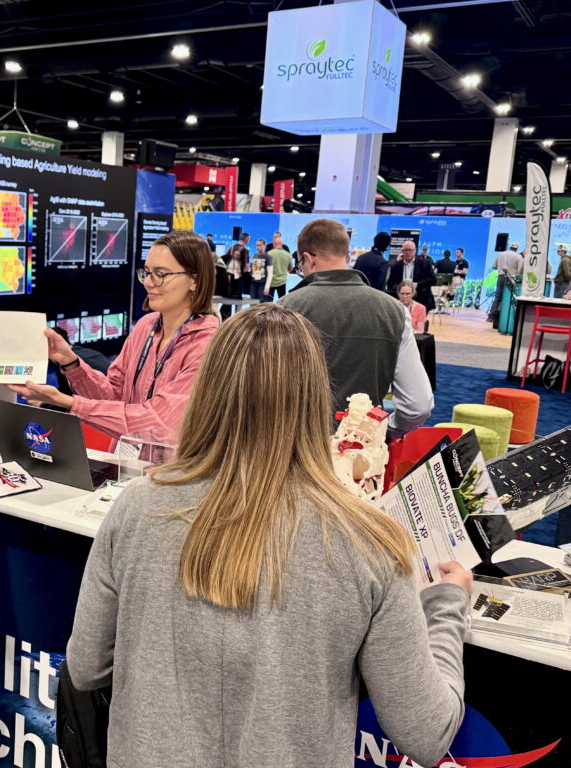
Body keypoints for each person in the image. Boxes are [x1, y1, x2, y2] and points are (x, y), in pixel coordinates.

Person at [66, 303, 470, 768]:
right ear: (316, 397)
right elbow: (426, 731)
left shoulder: (136, 507)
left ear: (207, 390)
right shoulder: (369, 540)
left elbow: (86, 666)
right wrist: (446, 605)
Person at [9, 230, 219, 443]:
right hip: (126, 464)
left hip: (172, 471)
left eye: (161, 274)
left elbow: (156, 421)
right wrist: (71, 363)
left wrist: (68, 402)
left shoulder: (207, 344)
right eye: (147, 272)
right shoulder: (146, 326)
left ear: (195, 280)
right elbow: (113, 397)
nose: (147, 282)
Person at [279, 218, 432, 436]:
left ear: (307, 259)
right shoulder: (395, 310)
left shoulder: (284, 309)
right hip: (364, 451)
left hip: (297, 449)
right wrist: (383, 430)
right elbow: (418, 405)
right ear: (348, 256)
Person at [387, 241, 436, 313]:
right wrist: (399, 288)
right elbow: (390, 283)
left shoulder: (425, 263)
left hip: (421, 298)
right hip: (401, 300)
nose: (407, 252)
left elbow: (433, 280)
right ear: (402, 251)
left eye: (410, 250)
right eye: (405, 250)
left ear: (415, 251)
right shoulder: (396, 266)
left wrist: (418, 284)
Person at [487, 242, 522, 324]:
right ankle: (502, 318)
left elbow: (493, 267)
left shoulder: (500, 254)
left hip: (500, 277)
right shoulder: (518, 257)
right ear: (517, 249)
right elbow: (519, 270)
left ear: (510, 247)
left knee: (497, 297)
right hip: (511, 278)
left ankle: (491, 317)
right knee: (507, 298)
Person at [266, 231, 292, 299]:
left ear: (280, 238)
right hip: (271, 280)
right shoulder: (268, 247)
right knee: (270, 301)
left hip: (281, 280)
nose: (275, 238)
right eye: (274, 237)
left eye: (277, 237)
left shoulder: (286, 248)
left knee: (281, 301)